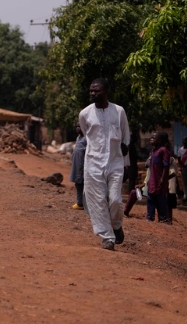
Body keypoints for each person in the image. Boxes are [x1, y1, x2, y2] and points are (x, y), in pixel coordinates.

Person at [78, 78, 130, 251]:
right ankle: (107, 237)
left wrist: (126, 164)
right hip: (93, 163)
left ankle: (116, 225)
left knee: (115, 199)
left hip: (115, 162)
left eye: (97, 90)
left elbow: (126, 137)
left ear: (106, 91)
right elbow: (86, 134)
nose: (93, 93)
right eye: (91, 90)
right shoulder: (85, 114)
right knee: (98, 201)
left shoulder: (119, 111)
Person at [147, 131, 171, 223]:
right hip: (152, 180)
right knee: (150, 199)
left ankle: (163, 218)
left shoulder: (163, 150)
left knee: (160, 200)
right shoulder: (153, 151)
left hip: (160, 181)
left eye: (153, 138)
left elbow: (166, 166)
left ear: (159, 140)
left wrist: (163, 178)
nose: (151, 139)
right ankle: (150, 217)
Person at [69, 123, 87, 210]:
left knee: (81, 183)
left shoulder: (87, 139)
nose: (78, 128)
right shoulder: (78, 138)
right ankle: (80, 202)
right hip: (76, 165)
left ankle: (81, 203)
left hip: (82, 166)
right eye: (77, 127)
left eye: (80, 126)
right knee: (77, 183)